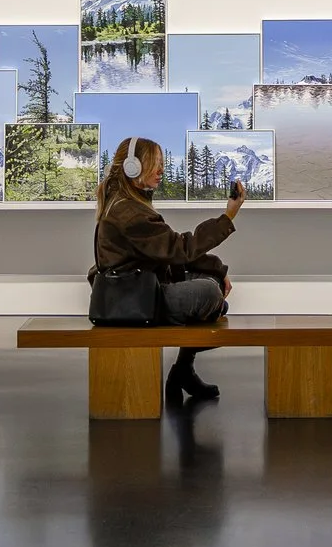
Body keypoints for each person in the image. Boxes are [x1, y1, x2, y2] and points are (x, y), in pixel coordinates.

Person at [93, 136, 246, 406]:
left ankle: (183, 370)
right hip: (136, 301)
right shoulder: (129, 212)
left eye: (162, 164)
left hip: (143, 291)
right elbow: (178, 249)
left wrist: (218, 269)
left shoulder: (128, 204)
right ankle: (184, 369)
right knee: (209, 292)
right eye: (155, 164)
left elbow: (169, 251)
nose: (161, 170)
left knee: (210, 283)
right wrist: (228, 217)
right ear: (133, 167)